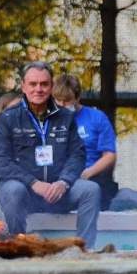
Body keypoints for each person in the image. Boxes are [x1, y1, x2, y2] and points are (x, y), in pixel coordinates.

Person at [0, 61, 101, 247]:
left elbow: (78, 155)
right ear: (23, 86)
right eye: (33, 84)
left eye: (44, 84)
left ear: (51, 86)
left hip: (58, 190)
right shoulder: (8, 117)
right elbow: (0, 161)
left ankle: (83, 251)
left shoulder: (66, 117)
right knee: (12, 191)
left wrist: (63, 182)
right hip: (24, 189)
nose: (38, 89)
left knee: (91, 190)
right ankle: (18, 248)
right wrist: (33, 183)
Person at [52, 74, 118, 211]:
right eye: (58, 100)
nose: (62, 105)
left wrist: (88, 173)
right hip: (57, 178)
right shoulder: (49, 118)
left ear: (77, 97)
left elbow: (109, 156)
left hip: (89, 176)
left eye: (67, 100)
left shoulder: (96, 117)